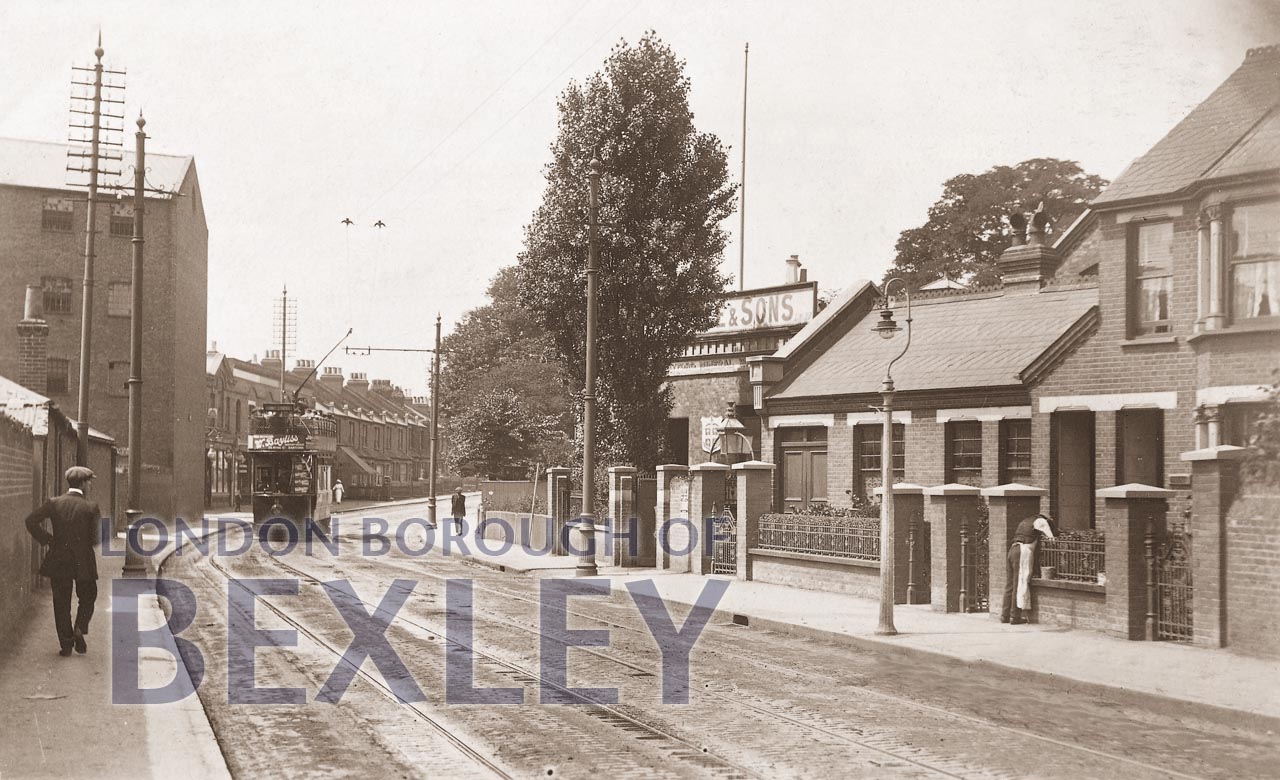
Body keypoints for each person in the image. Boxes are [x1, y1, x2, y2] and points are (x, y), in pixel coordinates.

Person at [24, 467, 102, 657]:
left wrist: (48, 539)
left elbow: (31, 520)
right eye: (89, 481)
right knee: (88, 596)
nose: (90, 485)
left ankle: (66, 645)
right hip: (83, 560)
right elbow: (96, 539)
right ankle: (79, 627)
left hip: (59, 559)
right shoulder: (91, 507)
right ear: (82, 483)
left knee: (61, 602)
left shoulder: (54, 503)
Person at [1001, 513, 1055, 625]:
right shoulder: (1040, 521)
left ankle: (1004, 615)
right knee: (1020, 583)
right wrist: (1051, 536)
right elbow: (1051, 537)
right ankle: (1015, 616)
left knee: (1010, 584)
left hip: (1013, 549)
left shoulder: (1025, 521)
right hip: (1022, 551)